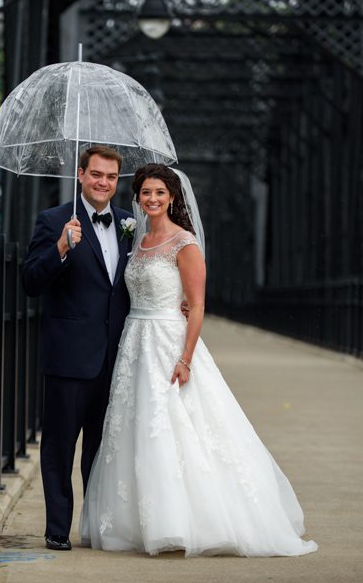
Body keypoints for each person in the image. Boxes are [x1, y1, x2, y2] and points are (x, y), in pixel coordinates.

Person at [79, 163, 318, 557]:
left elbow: (198, 304)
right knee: (132, 426)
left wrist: (185, 358)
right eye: (145, 192)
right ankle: (137, 522)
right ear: (136, 197)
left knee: (170, 424)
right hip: (133, 342)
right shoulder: (135, 241)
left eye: (159, 192)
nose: (152, 199)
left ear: (173, 197)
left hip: (168, 342)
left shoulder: (184, 242)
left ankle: (180, 523)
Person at [22, 145, 134, 552]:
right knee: (59, 446)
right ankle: (56, 529)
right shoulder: (53, 221)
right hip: (69, 356)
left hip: (116, 356)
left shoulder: (128, 224)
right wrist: (61, 249)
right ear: (82, 176)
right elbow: (30, 281)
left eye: (111, 177)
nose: (103, 183)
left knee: (104, 451)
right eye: (96, 174)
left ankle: (96, 526)